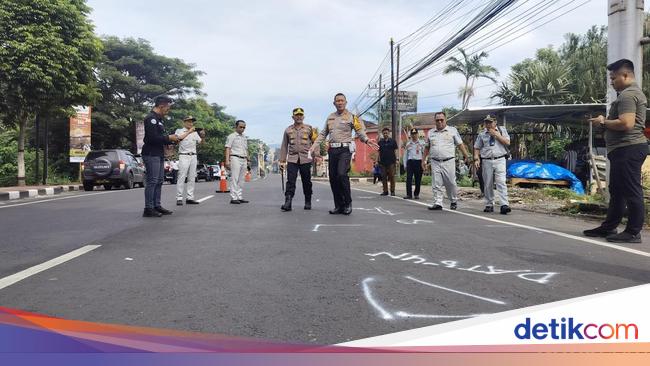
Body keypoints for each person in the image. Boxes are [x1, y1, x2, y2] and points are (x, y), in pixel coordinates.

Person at [583, 59, 647, 243]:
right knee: (617, 190)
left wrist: (602, 122)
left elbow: (626, 123)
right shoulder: (627, 94)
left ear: (625, 75)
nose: (611, 82)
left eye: (613, 78)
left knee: (631, 190)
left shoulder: (628, 95)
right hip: (623, 149)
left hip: (629, 148)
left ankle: (633, 232)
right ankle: (609, 227)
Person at [310, 93, 379, 215]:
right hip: (333, 151)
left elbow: (359, 131)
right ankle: (339, 205)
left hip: (345, 150)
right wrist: (314, 146)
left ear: (346, 102)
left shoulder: (352, 117)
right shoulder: (330, 117)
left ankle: (348, 203)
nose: (340, 102)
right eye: (337, 101)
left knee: (342, 174)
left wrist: (367, 140)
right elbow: (323, 133)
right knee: (333, 178)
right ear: (334, 103)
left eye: (342, 100)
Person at [423, 111, 471, 210]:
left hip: (449, 161)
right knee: (436, 183)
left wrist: (466, 155)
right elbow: (427, 147)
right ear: (435, 121)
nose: (439, 122)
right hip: (435, 161)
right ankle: (438, 202)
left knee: (451, 182)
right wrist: (423, 160)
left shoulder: (452, 131)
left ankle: (453, 200)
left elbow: (460, 144)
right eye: (437, 120)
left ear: (445, 120)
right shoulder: (431, 132)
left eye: (441, 120)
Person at [141, 95, 179, 217]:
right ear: (162, 105)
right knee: (152, 181)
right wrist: (168, 138)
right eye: (168, 107)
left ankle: (156, 205)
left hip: (158, 153)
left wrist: (172, 141)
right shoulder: (150, 118)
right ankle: (148, 208)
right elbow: (151, 138)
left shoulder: (159, 120)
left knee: (159, 181)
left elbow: (161, 138)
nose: (168, 110)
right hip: (151, 153)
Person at [279, 107, 318, 211]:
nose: (299, 117)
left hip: (306, 159)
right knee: (290, 181)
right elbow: (284, 145)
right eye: (297, 115)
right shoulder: (288, 130)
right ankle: (288, 202)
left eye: (301, 115)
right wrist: (282, 161)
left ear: (303, 116)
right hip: (292, 159)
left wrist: (317, 155)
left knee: (307, 181)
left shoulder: (310, 129)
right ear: (293, 117)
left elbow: (315, 142)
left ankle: (308, 200)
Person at [473, 114, 511, 214]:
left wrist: (496, 134)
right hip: (487, 160)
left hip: (500, 159)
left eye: (490, 122)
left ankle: (504, 204)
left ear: (495, 122)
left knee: (501, 182)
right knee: (488, 182)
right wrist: (476, 158)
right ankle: (489, 203)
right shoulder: (482, 134)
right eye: (486, 122)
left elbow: (507, 142)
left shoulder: (502, 130)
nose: (488, 124)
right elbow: (477, 147)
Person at [174, 116, 205, 206]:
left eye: (192, 122)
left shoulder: (195, 133)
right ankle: (179, 198)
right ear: (184, 122)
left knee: (192, 177)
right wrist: (189, 132)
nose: (191, 123)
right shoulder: (179, 131)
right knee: (182, 177)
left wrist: (203, 136)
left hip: (193, 156)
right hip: (184, 155)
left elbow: (201, 143)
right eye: (189, 122)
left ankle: (190, 197)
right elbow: (178, 139)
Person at [225, 120, 249, 204]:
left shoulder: (244, 137)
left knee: (241, 179)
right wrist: (227, 161)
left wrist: (248, 159)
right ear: (236, 127)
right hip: (235, 158)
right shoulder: (232, 136)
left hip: (244, 159)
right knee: (235, 178)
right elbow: (228, 148)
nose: (242, 129)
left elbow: (246, 149)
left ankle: (239, 196)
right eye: (241, 127)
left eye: (244, 127)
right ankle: (233, 198)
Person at [403, 128, 425, 199]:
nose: (414, 135)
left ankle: (416, 194)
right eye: (412, 134)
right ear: (411, 135)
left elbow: (425, 154)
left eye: (415, 134)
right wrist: (405, 164)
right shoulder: (408, 144)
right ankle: (409, 194)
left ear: (418, 134)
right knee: (409, 179)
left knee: (418, 179)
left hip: (419, 162)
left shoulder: (422, 143)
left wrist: (424, 163)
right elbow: (405, 155)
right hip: (410, 162)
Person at [378, 127, 398, 196]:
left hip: (391, 161)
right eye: (384, 133)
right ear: (382, 134)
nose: (385, 134)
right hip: (383, 162)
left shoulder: (393, 141)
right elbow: (378, 152)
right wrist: (377, 160)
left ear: (389, 133)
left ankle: (392, 191)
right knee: (383, 177)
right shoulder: (380, 142)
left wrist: (397, 159)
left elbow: (395, 151)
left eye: (386, 133)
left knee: (392, 176)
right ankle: (385, 191)